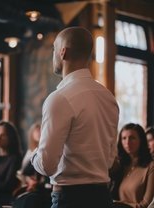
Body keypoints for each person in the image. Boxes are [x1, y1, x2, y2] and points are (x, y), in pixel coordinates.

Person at [31, 26, 119, 208]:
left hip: (70, 200)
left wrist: (33, 155)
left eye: (54, 49)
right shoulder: (109, 98)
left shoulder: (59, 98)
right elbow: (110, 160)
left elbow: (47, 166)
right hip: (103, 198)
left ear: (63, 52)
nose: (53, 55)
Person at [110, 123, 154, 208]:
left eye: (132, 138)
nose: (127, 142)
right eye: (124, 138)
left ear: (141, 140)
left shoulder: (151, 166)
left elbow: (145, 204)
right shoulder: (121, 165)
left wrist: (118, 204)